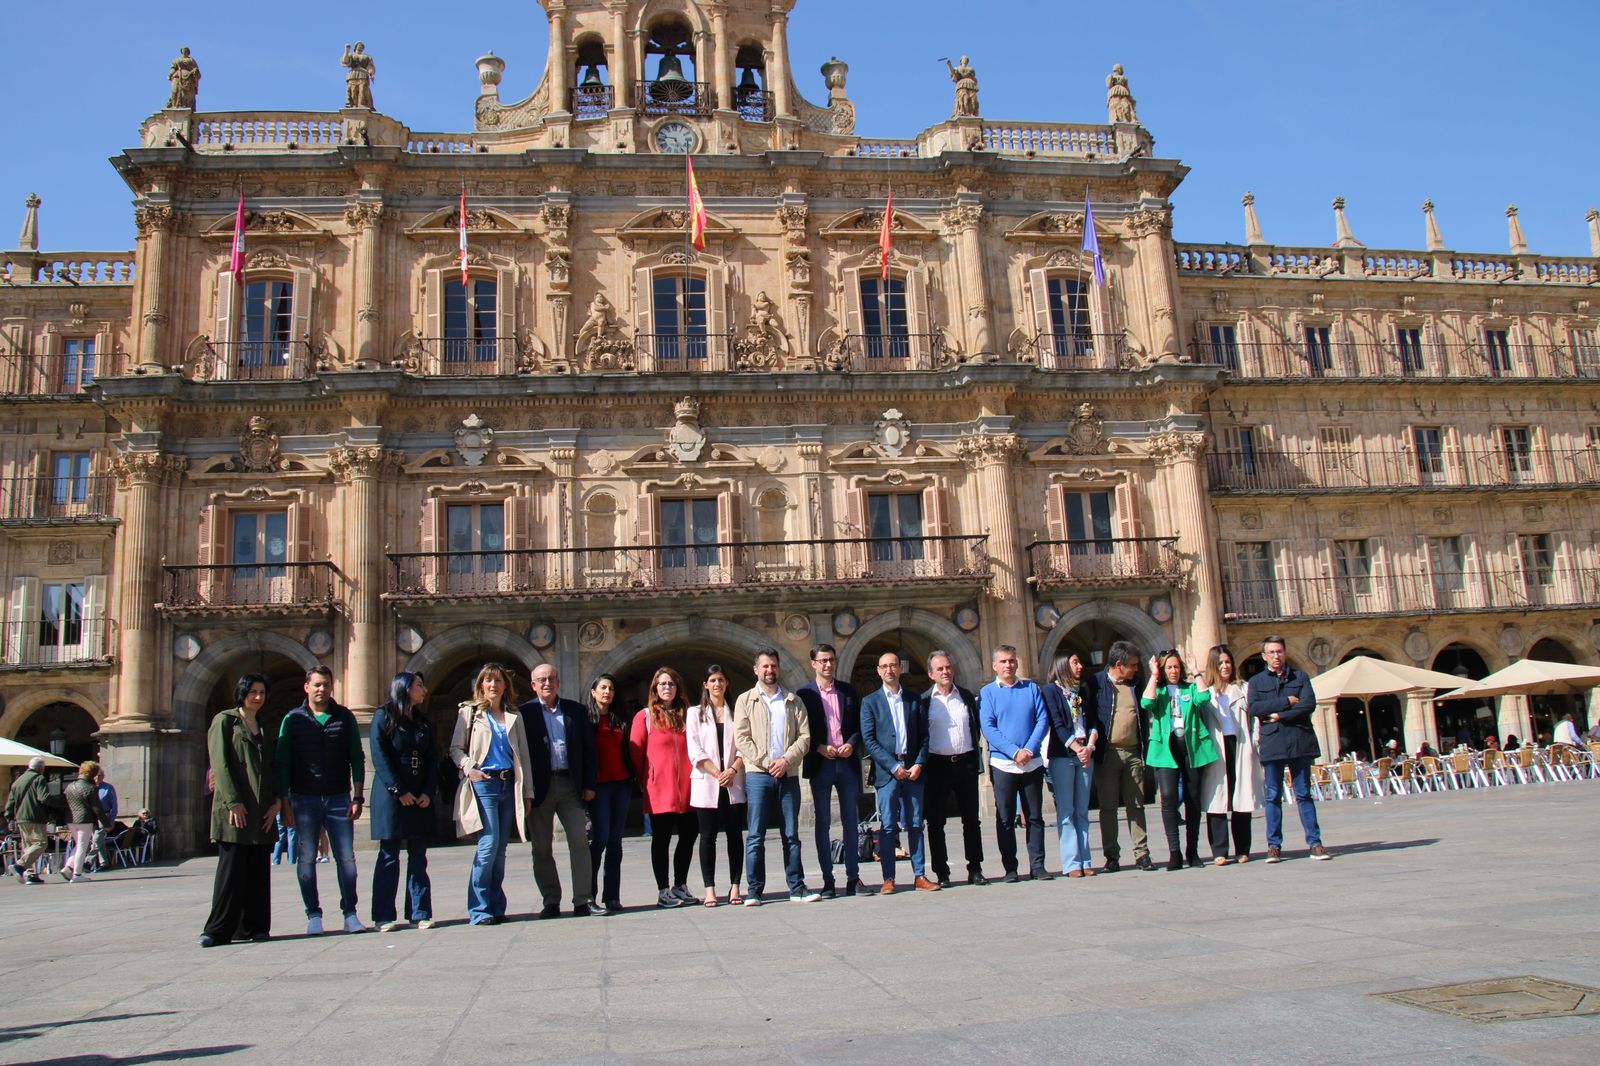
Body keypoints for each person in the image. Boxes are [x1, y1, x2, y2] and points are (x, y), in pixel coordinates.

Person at [278, 665, 367, 933]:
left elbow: (356, 758)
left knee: (346, 858)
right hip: (303, 798)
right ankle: (313, 915)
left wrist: (358, 797)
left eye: (326, 684)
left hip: (339, 796)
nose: (322, 689)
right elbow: (282, 763)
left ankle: (350, 914)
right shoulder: (292, 719)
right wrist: (285, 803)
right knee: (305, 858)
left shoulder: (345, 717)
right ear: (306, 687)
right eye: (316, 684)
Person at [450, 662, 536, 925]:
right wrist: (469, 769)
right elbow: (455, 749)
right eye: (488, 680)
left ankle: (496, 906)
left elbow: (523, 756)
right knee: (488, 845)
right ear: (481, 685)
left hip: (508, 784)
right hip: (484, 783)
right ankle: (478, 908)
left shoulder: (514, 715)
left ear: (505, 686)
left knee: (500, 849)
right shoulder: (470, 713)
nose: (493, 685)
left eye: (498, 681)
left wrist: (527, 792)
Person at [733, 648, 820, 905]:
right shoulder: (745, 700)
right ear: (756, 670)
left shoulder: (793, 700)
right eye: (765, 666)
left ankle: (797, 887)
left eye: (773, 666)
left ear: (778, 668)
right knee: (756, 835)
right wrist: (767, 761)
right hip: (758, 775)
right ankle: (755, 890)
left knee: (791, 834)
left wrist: (786, 760)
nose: (770, 670)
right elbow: (742, 737)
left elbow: (805, 736)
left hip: (788, 773)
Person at [200, 673, 281, 946]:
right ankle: (218, 929)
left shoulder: (264, 726)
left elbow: (273, 767)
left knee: (259, 869)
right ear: (242, 693)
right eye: (253, 692)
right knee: (231, 869)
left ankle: (256, 927)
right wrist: (233, 801)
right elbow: (220, 764)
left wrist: (277, 802)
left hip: (262, 809)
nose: (258, 697)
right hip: (233, 808)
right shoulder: (224, 721)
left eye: (262, 692)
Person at [523, 663, 597, 918]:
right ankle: (551, 900)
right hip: (539, 787)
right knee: (541, 847)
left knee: (579, 841)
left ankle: (581, 900)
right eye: (541, 679)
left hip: (570, 784)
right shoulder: (524, 713)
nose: (547, 683)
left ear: (558, 682)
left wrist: (589, 784)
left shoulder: (576, 710)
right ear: (533, 685)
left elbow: (589, 750)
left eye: (551, 678)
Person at [1247, 636, 1330, 862]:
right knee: (1273, 795)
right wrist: (1287, 701)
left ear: (1285, 653)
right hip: (1273, 743)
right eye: (1271, 652)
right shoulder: (1256, 682)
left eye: (1280, 651)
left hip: (1299, 740)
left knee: (1304, 793)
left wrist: (1277, 715)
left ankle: (1315, 843)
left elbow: (1308, 705)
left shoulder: (1301, 677)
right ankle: (1274, 846)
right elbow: (1255, 707)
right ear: (1264, 656)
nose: (1276, 656)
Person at [861, 651, 936, 893]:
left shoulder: (914, 700)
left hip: (913, 768)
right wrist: (893, 766)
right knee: (888, 826)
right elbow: (869, 740)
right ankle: (888, 879)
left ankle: (920, 875)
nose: (889, 670)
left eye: (893, 666)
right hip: (887, 772)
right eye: (884, 666)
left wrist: (918, 763)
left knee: (915, 824)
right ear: (878, 671)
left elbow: (924, 736)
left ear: (900, 668)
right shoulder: (870, 702)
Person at [369, 671, 437, 932]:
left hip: (419, 795)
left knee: (418, 855)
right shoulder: (383, 716)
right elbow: (379, 756)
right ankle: (384, 915)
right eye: (420, 685)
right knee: (389, 855)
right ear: (405, 688)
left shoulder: (423, 721)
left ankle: (420, 912)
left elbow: (432, 758)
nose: (424, 690)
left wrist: (428, 792)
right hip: (391, 797)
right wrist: (399, 791)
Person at [979, 645, 1052, 883]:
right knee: (1005, 817)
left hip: (1031, 762)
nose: (1008, 665)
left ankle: (1038, 865)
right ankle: (1010, 867)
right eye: (1003, 661)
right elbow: (988, 727)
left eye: (1012, 661)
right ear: (995, 666)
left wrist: (1028, 749)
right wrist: (1013, 752)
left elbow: (1042, 719)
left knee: (1034, 816)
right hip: (1003, 764)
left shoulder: (1031, 688)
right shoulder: (988, 692)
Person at [796, 643, 863, 898]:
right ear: (813, 663)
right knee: (822, 822)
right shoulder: (804, 694)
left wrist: (851, 744)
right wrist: (818, 747)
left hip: (846, 763)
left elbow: (858, 726)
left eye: (831, 660)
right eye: (823, 660)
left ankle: (853, 878)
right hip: (820, 763)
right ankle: (827, 880)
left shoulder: (848, 691)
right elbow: (800, 730)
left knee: (850, 821)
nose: (828, 665)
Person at [1142, 651, 1219, 871]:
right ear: (1163, 670)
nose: (1173, 671)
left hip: (1191, 747)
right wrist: (1154, 675)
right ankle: (1174, 852)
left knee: (1193, 798)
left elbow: (1204, 698)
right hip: (1166, 750)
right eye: (1169, 667)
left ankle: (1192, 851)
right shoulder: (1160, 691)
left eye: (1176, 667)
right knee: (1168, 797)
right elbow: (1146, 702)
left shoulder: (1190, 688)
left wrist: (1196, 672)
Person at [629, 666, 698, 908]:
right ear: (655, 689)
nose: (667, 688)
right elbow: (636, 752)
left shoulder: (688, 715)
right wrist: (647, 780)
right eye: (662, 684)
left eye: (671, 684)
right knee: (661, 838)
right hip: (660, 788)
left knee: (689, 835)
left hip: (688, 787)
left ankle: (680, 884)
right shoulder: (645, 716)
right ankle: (663, 889)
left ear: (678, 687)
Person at [1082, 641, 1153, 873]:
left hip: (1132, 752)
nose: (1135, 669)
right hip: (1107, 753)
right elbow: (1089, 717)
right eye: (1132, 665)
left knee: (1136, 804)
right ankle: (1111, 856)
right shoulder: (1095, 684)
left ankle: (1142, 854)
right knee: (1108, 807)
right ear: (1119, 665)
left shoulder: (1135, 684)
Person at [922, 651, 988, 887]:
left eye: (948, 667)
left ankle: (976, 869)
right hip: (937, 765)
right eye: (939, 669)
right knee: (936, 822)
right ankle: (942, 872)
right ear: (931, 674)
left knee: (971, 820)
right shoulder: (926, 701)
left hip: (966, 762)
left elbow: (976, 727)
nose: (945, 672)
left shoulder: (967, 697)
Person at [686, 664, 746, 907]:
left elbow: (744, 745)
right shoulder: (694, 713)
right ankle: (709, 889)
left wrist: (731, 770)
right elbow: (694, 748)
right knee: (707, 836)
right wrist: (717, 772)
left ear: (726, 683)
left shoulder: (737, 712)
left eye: (721, 679)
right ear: (705, 685)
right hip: (707, 781)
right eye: (712, 680)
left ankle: (735, 887)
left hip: (733, 779)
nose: (717, 684)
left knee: (735, 836)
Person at [1198, 645, 1259, 864]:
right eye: (1221, 662)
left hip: (1239, 745)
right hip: (1217, 747)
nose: (1225, 666)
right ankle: (1219, 851)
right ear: (1213, 666)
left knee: (1241, 797)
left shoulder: (1243, 689)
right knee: (1217, 799)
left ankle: (1243, 849)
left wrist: (1254, 744)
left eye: (1228, 662)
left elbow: (1255, 720)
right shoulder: (1206, 693)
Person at [1043, 652, 1100, 878]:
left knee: (1082, 810)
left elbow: (1094, 720)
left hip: (1086, 751)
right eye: (1075, 662)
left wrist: (1090, 747)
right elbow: (1057, 723)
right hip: (1063, 755)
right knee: (1066, 811)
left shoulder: (1081, 691)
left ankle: (1086, 859)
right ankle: (1071, 863)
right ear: (1062, 665)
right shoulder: (1051, 691)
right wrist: (1077, 748)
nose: (1080, 666)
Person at [586, 674, 633, 914]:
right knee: (600, 839)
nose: (607, 692)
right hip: (598, 787)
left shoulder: (621, 719)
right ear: (593, 692)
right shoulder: (586, 720)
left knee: (616, 841)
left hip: (621, 784)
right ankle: (589, 894)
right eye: (603, 687)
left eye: (611, 688)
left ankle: (612, 896)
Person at [6, 755, 53, 885]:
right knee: (40, 843)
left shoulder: (18, 781)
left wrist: (10, 818)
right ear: (40, 768)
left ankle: (31, 875)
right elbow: (43, 798)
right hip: (35, 816)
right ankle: (20, 866)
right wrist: (60, 802)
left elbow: (10, 802)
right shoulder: (39, 778)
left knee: (28, 846)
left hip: (20, 818)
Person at [61, 761, 111, 883]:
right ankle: (77, 874)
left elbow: (64, 803)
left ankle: (68, 867)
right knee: (83, 846)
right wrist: (107, 824)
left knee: (79, 845)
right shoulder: (91, 787)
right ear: (92, 773)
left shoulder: (70, 786)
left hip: (71, 819)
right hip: (85, 819)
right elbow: (97, 808)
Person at [90, 770, 118, 872]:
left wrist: (111, 820)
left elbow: (114, 805)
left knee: (96, 839)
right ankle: (104, 863)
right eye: (95, 775)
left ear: (103, 776)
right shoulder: (90, 787)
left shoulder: (108, 788)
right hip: (91, 817)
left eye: (99, 775)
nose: (97, 777)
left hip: (103, 816)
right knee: (99, 840)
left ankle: (88, 860)